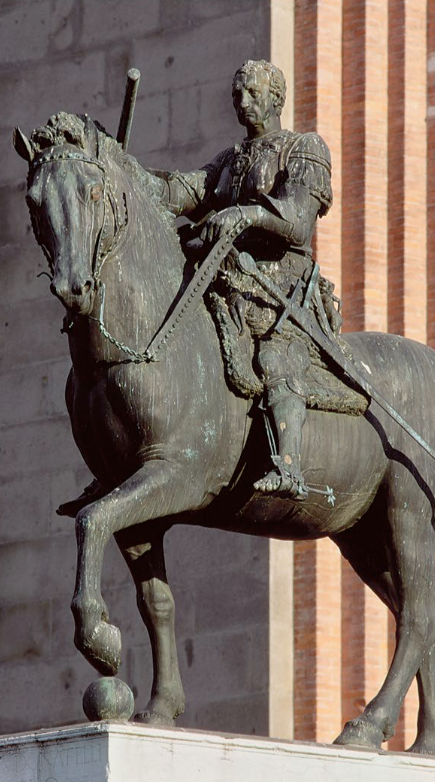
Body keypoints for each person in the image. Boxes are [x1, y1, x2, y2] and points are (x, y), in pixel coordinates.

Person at [149, 59, 344, 501]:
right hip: (225, 279)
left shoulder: (304, 149)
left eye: (252, 93)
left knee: (276, 359)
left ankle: (288, 465)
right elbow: (184, 190)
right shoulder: (229, 160)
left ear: (276, 98)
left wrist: (245, 213)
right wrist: (131, 179)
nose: (242, 102)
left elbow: (297, 221)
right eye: (237, 94)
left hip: (280, 286)